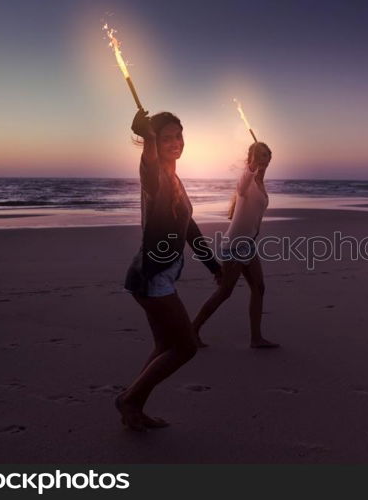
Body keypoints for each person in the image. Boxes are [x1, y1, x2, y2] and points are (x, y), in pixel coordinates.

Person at [116, 109, 222, 430]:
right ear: (154, 143)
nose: (175, 142)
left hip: (153, 276)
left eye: (178, 136)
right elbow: (147, 164)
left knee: (164, 346)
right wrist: (147, 138)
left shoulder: (174, 177)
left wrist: (212, 264)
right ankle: (130, 400)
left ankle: (133, 403)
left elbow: (188, 227)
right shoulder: (156, 175)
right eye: (166, 138)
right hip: (151, 277)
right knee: (186, 347)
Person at [192, 142, 279, 348]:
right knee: (225, 292)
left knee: (259, 288)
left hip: (248, 244)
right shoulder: (246, 183)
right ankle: (192, 329)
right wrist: (251, 167)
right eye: (259, 156)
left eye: (266, 156)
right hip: (234, 246)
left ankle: (256, 339)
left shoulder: (260, 183)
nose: (263, 159)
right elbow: (241, 185)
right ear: (250, 159)